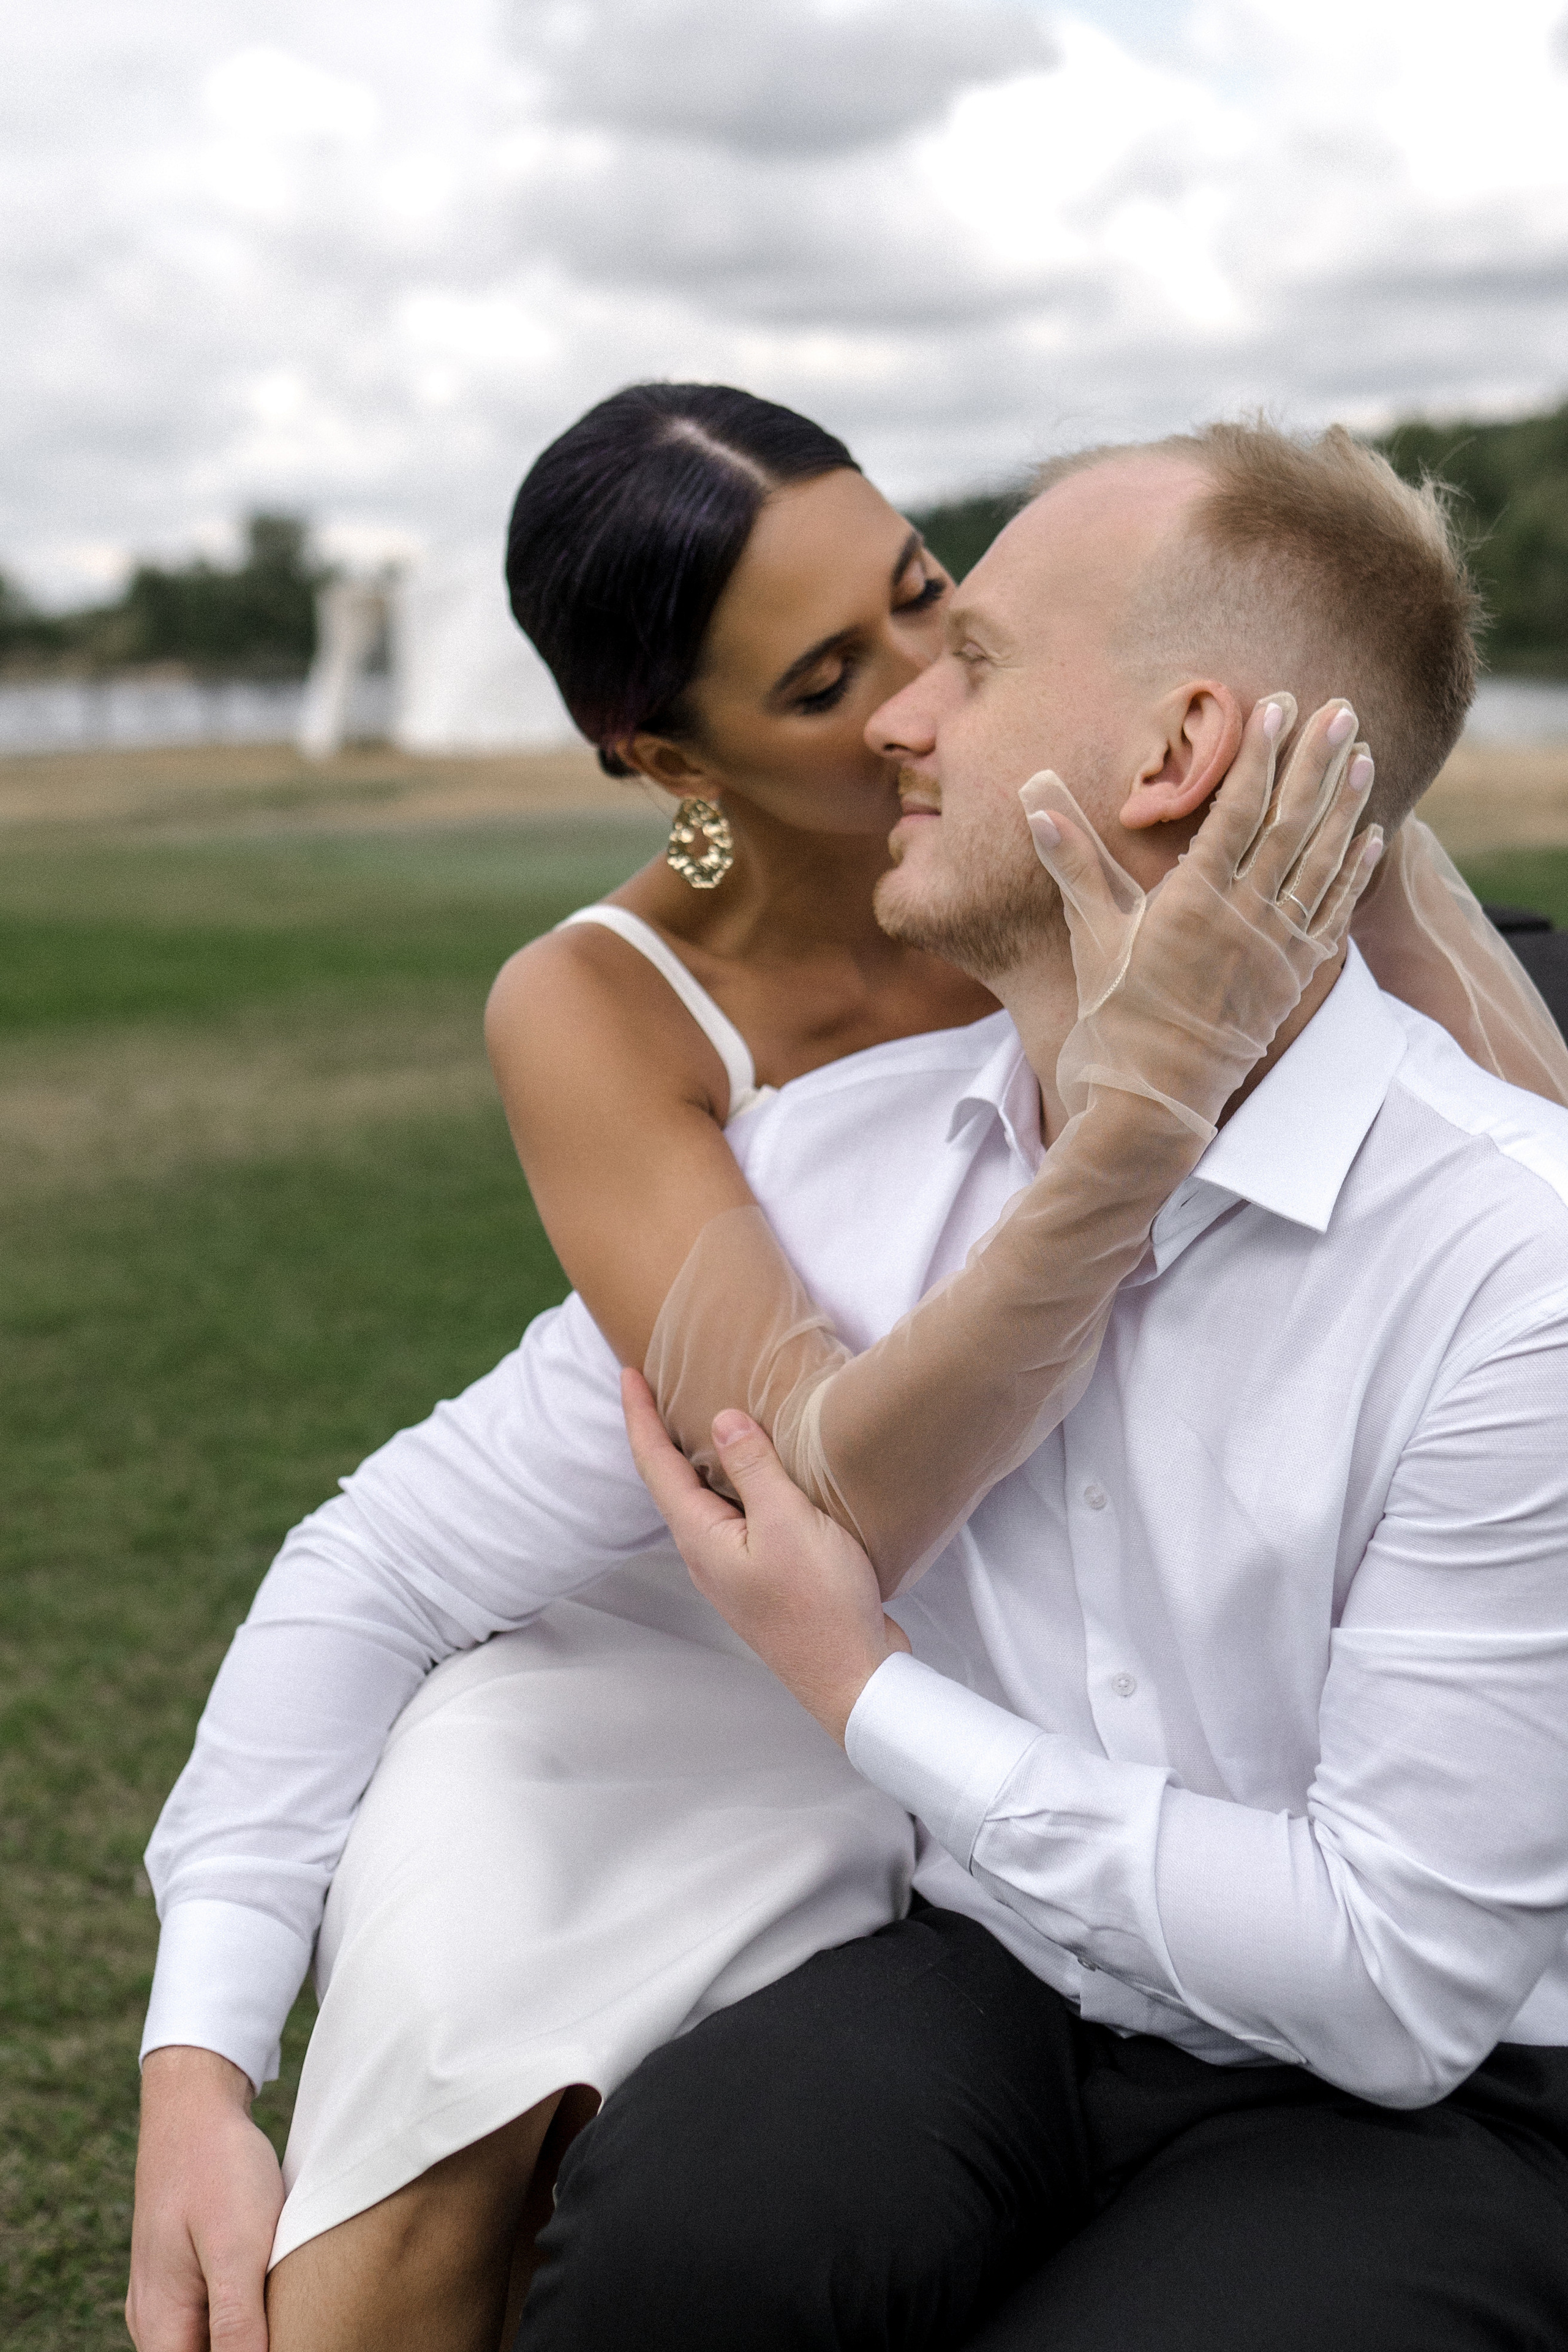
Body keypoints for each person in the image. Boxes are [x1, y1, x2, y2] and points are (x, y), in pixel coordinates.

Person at [125, 393, 1567, 2352]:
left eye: (952, 630)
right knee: (658, 2204)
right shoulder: (796, 1139)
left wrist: (867, 1686)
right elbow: (408, 1550)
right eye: (831, 680)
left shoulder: (1500, 1241)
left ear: (1181, 754)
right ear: (675, 760)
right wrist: (197, 2068)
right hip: (809, 1702)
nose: (903, 712)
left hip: (1328, 1989)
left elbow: (1395, 1975)